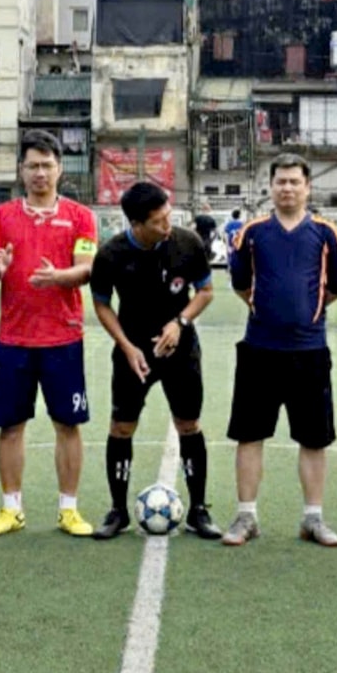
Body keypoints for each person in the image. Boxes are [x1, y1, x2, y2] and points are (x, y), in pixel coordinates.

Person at [222, 154, 337, 548]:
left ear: (308, 187)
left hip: (309, 351)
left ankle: (313, 518)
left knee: (313, 438)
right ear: (270, 186)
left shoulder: (329, 234)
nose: (287, 188)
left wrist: (305, 313)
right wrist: (268, 310)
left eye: (295, 181)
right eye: (280, 181)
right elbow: (242, 285)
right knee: (250, 434)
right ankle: (247, 516)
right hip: (260, 349)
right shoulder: (252, 232)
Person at [0, 130, 99, 536]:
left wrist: (57, 277)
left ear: (60, 169)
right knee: (10, 426)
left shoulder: (81, 216)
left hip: (63, 337)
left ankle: (69, 509)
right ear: (21, 170)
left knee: (68, 424)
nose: (40, 173)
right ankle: (11, 507)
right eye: (33, 165)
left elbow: (87, 267)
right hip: (14, 338)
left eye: (47, 165)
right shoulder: (1, 217)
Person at [89, 180, 220, 540]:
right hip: (133, 356)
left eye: (169, 216)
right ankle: (117, 511)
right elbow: (101, 303)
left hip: (181, 351)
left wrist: (180, 323)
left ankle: (198, 510)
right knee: (121, 428)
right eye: (159, 221)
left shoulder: (187, 243)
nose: (168, 225)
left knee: (189, 425)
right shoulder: (111, 254)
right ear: (136, 224)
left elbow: (206, 291)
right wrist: (127, 346)